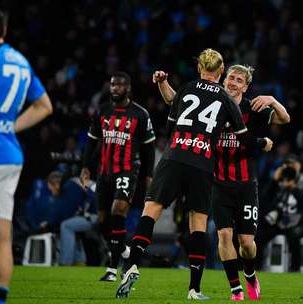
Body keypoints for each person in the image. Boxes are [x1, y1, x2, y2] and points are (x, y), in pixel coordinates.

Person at [116, 48, 256, 300]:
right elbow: (244, 138)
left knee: (151, 211)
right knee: (197, 225)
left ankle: (132, 265)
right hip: (202, 164)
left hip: (175, 156)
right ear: (221, 71)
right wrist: (262, 142)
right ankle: (194, 289)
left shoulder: (187, 89)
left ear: (200, 69)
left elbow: (171, 124)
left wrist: (164, 85)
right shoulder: (225, 99)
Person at [151, 64, 289, 300]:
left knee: (246, 243)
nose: (233, 83)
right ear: (224, 80)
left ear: (246, 87)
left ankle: (250, 273)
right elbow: (176, 100)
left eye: (239, 80)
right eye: (231, 78)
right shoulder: (213, 103)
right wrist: (163, 83)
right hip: (217, 183)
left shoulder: (251, 107)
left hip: (245, 183)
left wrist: (272, 100)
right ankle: (236, 290)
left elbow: (285, 119)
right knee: (224, 235)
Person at [0, 8, 53, 304]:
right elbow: (45, 106)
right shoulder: (19, 61)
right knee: (2, 236)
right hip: (9, 154)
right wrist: (8, 127)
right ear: (4, 30)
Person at [80, 71, 156, 281]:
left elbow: (149, 149)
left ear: (128, 88)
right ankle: (124, 252)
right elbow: (92, 142)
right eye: (113, 85)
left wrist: (149, 175)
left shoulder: (140, 114)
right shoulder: (102, 111)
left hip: (127, 170)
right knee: (103, 222)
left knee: (118, 210)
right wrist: (85, 167)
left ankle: (112, 270)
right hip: (104, 172)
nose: (115, 88)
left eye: (120, 85)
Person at [256, 155, 303, 272]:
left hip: (296, 221)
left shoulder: (301, 181)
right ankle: (256, 267)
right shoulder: (279, 180)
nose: (290, 168)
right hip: (278, 221)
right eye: (288, 165)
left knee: (295, 236)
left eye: (293, 165)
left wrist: (294, 189)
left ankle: (294, 269)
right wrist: (274, 181)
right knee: (259, 235)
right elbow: (264, 199)